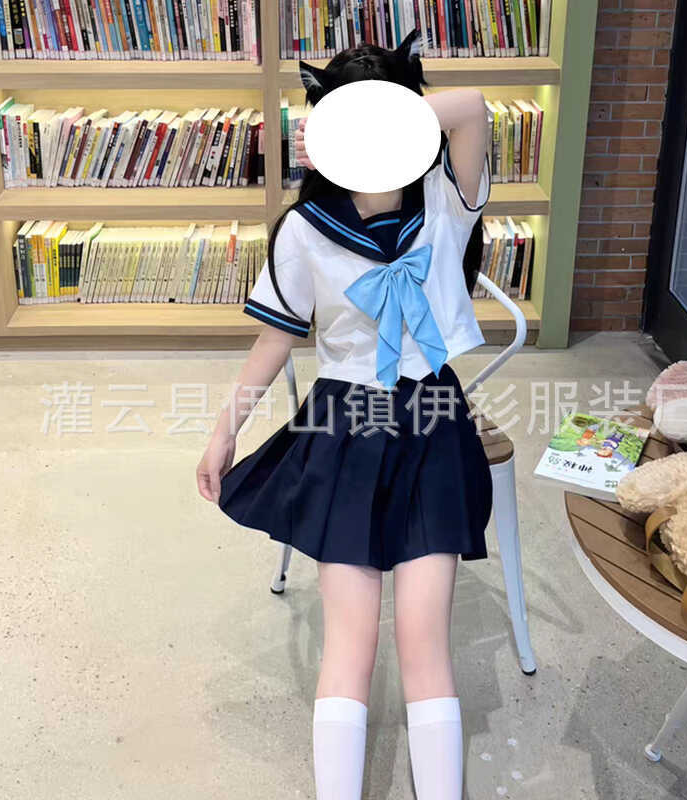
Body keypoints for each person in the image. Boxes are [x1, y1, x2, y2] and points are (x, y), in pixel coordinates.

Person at [196, 28, 493, 800]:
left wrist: (381, 119)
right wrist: (224, 432)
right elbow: (274, 341)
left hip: (431, 422)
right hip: (345, 429)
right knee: (350, 647)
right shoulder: (303, 230)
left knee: (425, 647)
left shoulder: (446, 201)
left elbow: (473, 108)